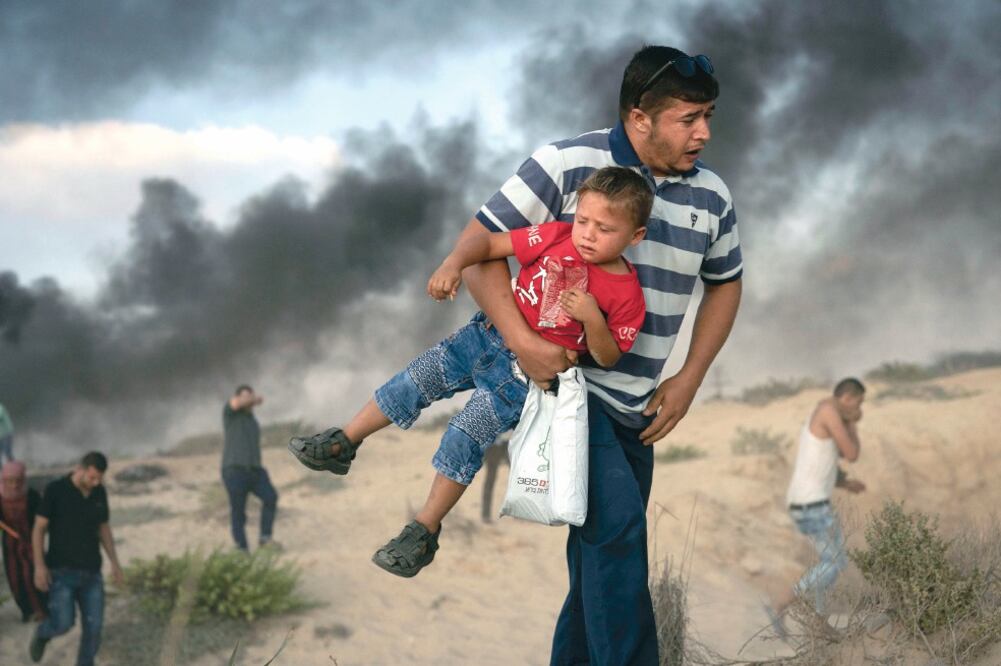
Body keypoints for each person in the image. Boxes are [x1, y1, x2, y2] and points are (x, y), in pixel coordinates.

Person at [456, 46, 742, 665]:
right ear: (640, 118)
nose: (705, 133)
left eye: (709, 115)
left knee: (597, 568)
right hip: (573, 398)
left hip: (638, 409)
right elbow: (478, 245)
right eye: (689, 118)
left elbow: (726, 282)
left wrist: (690, 377)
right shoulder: (564, 163)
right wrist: (524, 341)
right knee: (618, 537)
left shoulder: (713, 195)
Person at [289, 166, 652, 578]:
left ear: (634, 236)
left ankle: (422, 531)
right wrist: (453, 263)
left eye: (603, 228)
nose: (586, 234)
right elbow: (488, 243)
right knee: (416, 378)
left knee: (465, 435)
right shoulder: (555, 235)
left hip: (520, 379)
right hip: (482, 336)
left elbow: (608, 357)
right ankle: (343, 442)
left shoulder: (627, 293)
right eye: (583, 220)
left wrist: (592, 319)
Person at [768, 378, 866, 635]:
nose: (860, 408)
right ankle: (782, 604)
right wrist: (853, 422)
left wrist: (846, 483)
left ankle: (818, 623)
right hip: (810, 504)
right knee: (833, 563)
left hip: (811, 502)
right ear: (847, 398)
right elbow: (852, 453)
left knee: (829, 562)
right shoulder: (828, 411)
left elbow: (826, 459)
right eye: (859, 403)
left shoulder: (828, 412)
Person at [29, 451, 124, 666]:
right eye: (92, 477)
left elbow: (104, 528)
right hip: (61, 572)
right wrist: (39, 566)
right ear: (80, 469)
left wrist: (115, 563)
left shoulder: (99, 492)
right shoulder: (56, 490)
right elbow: (39, 529)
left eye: (99, 478)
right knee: (63, 624)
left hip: (92, 572)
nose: (95, 482)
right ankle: (43, 633)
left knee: (94, 628)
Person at [222, 384, 280, 551]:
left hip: (254, 470)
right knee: (238, 512)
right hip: (234, 470)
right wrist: (253, 399)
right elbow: (235, 402)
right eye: (245, 396)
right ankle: (241, 548)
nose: (249, 400)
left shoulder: (252, 420)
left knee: (271, 497)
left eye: (250, 395)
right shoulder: (230, 413)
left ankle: (265, 538)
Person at [1, 461, 46, 622]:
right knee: (15, 576)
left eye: (17, 481)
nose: (13, 485)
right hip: (10, 544)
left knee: (32, 573)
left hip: (31, 541)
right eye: (9, 481)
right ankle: (26, 611)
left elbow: (41, 521)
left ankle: (40, 609)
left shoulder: (32, 496)